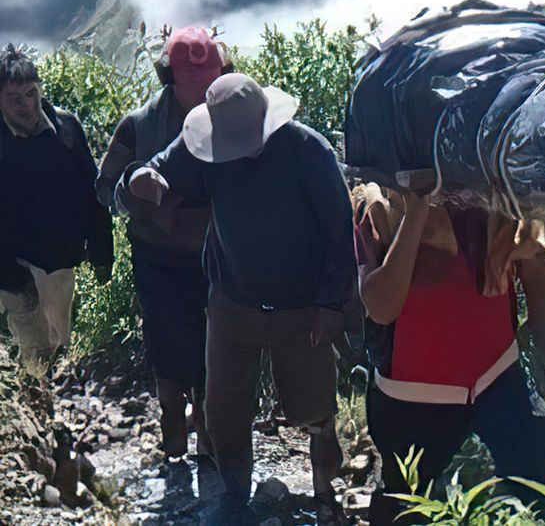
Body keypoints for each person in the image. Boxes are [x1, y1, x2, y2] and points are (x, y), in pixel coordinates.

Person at [126, 73, 354, 524]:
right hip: (232, 302)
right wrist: (144, 177)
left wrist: (331, 304)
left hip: (302, 306)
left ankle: (326, 485)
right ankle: (235, 492)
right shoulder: (206, 148)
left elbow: (339, 230)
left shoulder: (308, 152)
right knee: (224, 408)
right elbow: (153, 168)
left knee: (314, 406)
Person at [352, 182, 545, 524]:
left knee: (534, 492)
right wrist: (416, 211)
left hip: (496, 376)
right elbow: (382, 307)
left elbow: (536, 274)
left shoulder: (500, 187)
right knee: (406, 505)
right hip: (412, 395)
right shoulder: (378, 205)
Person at [99, 27, 229, 459]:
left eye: (210, 80)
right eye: (193, 83)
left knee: (216, 342)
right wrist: (136, 184)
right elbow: (106, 190)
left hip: (216, 255)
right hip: (158, 257)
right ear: (169, 80)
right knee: (168, 340)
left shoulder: (232, 113)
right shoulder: (139, 125)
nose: (203, 91)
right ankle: (172, 413)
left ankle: (208, 425)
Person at [0, 44, 113, 373]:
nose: (27, 105)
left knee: (56, 339)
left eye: (31, 93)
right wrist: (10, 274)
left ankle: (38, 401)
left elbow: (92, 192)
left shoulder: (65, 129)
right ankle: (30, 407)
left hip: (61, 262)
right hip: (14, 264)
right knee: (33, 344)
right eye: (15, 98)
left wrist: (102, 253)